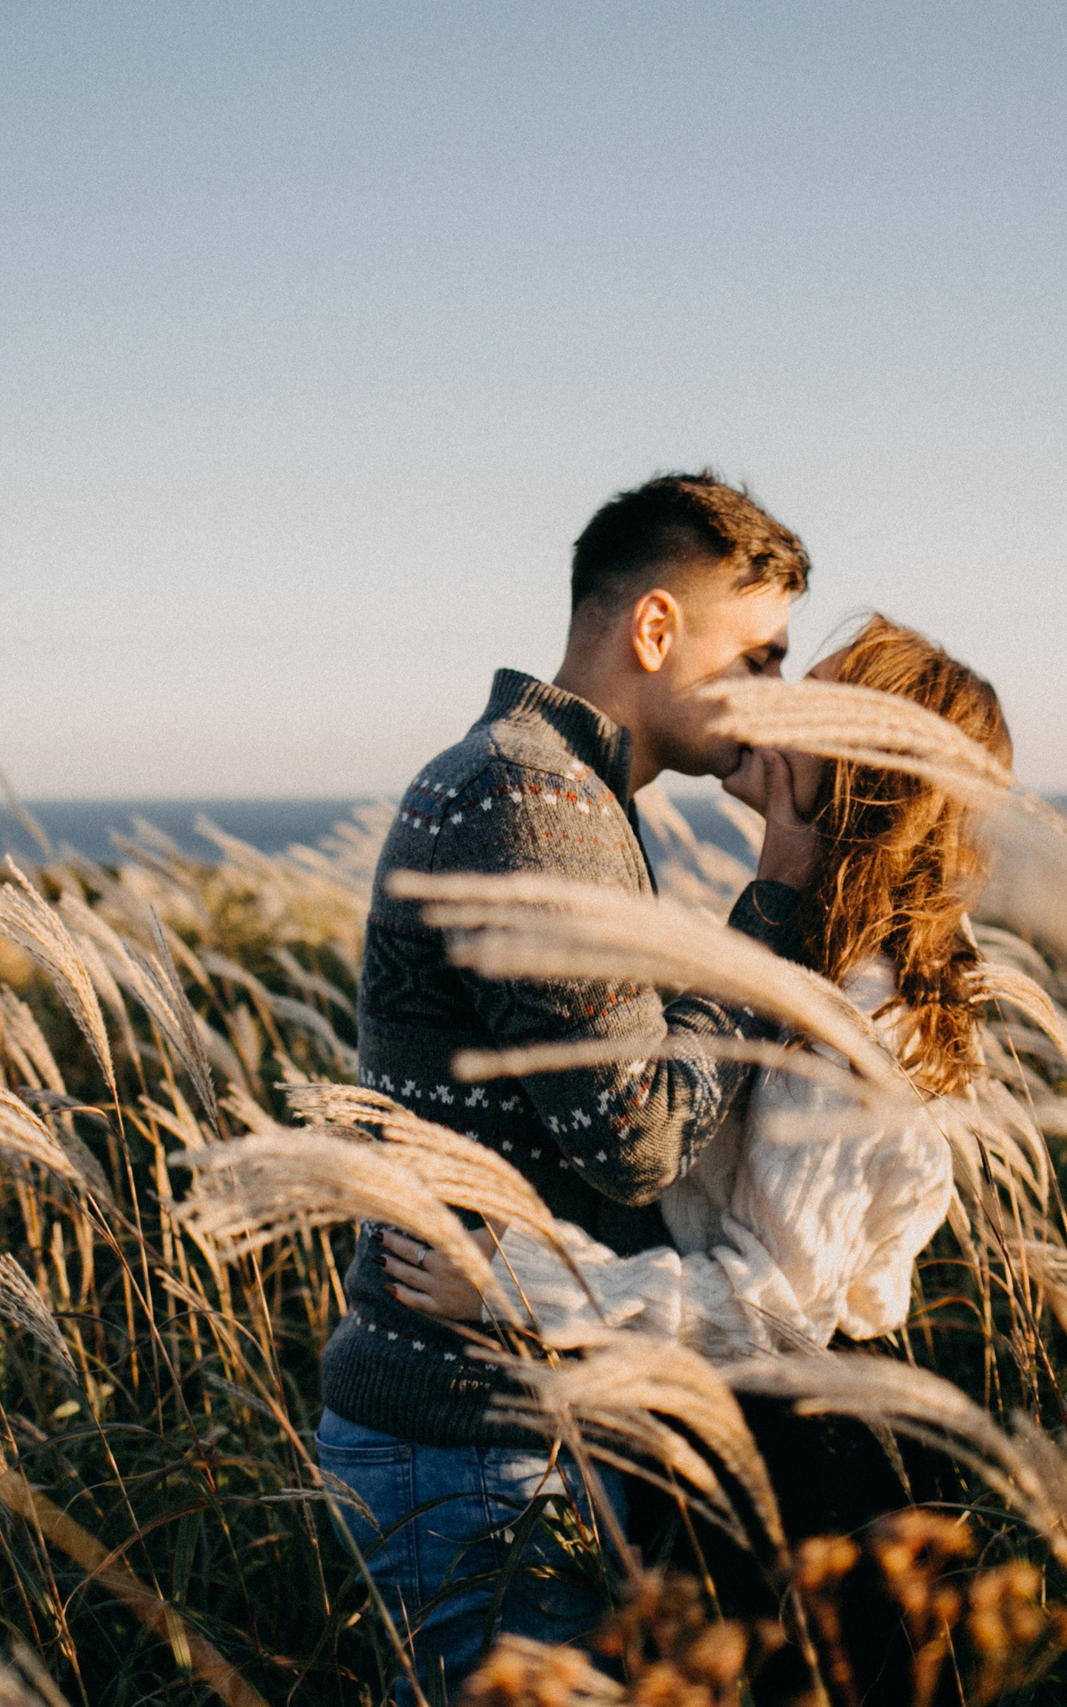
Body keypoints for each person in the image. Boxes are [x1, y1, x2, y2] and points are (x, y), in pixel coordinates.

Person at [317, 472, 825, 1699]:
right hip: (472, 1444)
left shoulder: (560, 789)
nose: (774, 699)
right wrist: (777, 904)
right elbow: (637, 1136)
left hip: (491, 1426)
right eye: (755, 656)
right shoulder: (533, 797)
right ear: (655, 630)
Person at [382, 614, 1010, 1589]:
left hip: (795, 1472)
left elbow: (773, 1309)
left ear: (865, 769)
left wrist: (512, 1286)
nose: (767, 703)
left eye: (811, 701)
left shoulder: (859, 1022)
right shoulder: (816, 967)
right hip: (726, 1446)